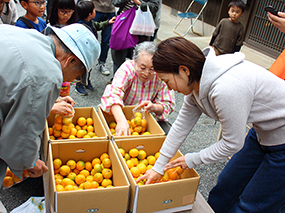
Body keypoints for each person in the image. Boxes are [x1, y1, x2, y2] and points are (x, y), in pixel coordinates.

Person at [136, 37, 285, 212]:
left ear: (184, 70)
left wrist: (192, 159)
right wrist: (159, 166)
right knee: (225, 186)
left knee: (250, 205)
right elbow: (181, 125)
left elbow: (233, 143)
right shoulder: (196, 84)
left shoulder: (226, 88)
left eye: (167, 81)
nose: (168, 88)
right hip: (262, 134)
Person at [0, 23, 100, 213]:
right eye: (76, 76)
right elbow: (18, 140)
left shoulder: (25, 36)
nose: (69, 81)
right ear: (69, 61)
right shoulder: (47, 74)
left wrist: (48, 99)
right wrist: (29, 163)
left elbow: (13, 83)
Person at [100, 41, 175, 136]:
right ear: (135, 62)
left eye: (152, 69)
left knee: (168, 134)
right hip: (121, 113)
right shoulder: (127, 69)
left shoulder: (160, 74)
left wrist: (154, 107)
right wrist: (122, 121)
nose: (146, 73)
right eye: (142, 67)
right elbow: (112, 94)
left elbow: (167, 103)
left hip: (146, 118)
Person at [75, 0, 116, 96]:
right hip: (83, 52)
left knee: (88, 68)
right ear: (90, 14)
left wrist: (108, 22)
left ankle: (86, 81)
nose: (95, 12)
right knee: (81, 68)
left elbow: (98, 26)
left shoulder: (90, 22)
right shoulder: (81, 26)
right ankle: (79, 85)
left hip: (89, 52)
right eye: (94, 11)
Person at [110, 0, 159, 78]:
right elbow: (115, 2)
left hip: (141, 29)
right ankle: (117, 81)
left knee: (139, 59)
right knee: (118, 57)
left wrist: (139, 3)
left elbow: (155, 7)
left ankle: (134, 84)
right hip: (122, 24)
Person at [92, 0, 116, 76]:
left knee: (106, 40)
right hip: (96, 9)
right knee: (91, 38)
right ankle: (88, 63)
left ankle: (102, 62)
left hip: (110, 10)